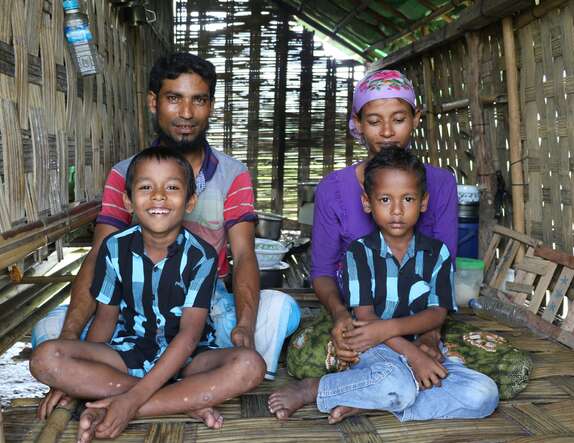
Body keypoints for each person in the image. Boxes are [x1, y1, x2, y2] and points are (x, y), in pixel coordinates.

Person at [33, 52, 300, 420]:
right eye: (174, 98)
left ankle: (124, 394)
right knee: (49, 336)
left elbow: (245, 257)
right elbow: (98, 260)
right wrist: (72, 337)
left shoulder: (231, 175)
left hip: (206, 304)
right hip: (133, 310)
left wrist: (244, 326)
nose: (186, 113)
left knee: (278, 313)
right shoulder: (124, 174)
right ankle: (182, 398)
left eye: (198, 100)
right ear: (153, 102)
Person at [30, 147, 266, 442]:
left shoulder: (200, 256)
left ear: (190, 200)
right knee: (45, 358)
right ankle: (182, 400)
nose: (158, 196)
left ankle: (132, 405)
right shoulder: (114, 248)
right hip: (129, 351)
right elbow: (105, 320)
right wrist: (79, 374)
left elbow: (189, 336)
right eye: (145, 187)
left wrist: (131, 399)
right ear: (128, 200)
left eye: (171, 187)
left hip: (189, 359)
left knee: (250, 366)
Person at [268, 148, 498, 423]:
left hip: (417, 345)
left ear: (423, 202)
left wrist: (417, 352)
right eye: (386, 199)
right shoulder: (359, 253)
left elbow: (437, 314)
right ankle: (314, 388)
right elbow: (366, 320)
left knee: (484, 394)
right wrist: (411, 354)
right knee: (395, 382)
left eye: (408, 199)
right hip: (375, 348)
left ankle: (369, 400)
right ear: (368, 202)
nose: (397, 210)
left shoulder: (438, 254)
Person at [282, 70, 457, 380]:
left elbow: (445, 270)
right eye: (375, 121)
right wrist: (339, 316)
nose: (387, 132)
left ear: (416, 118)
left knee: (511, 369)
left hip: (423, 319)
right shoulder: (333, 189)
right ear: (359, 124)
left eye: (399, 119)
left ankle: (372, 383)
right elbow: (322, 272)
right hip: (357, 319)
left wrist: (430, 338)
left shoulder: (441, 184)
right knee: (304, 359)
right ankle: (394, 380)